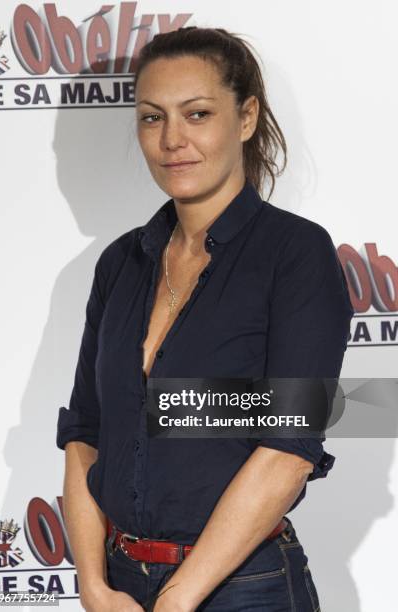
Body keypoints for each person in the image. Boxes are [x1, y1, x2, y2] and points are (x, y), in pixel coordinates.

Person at [56, 27, 354, 611]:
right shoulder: (120, 263)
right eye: (151, 118)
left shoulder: (295, 255)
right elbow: (86, 434)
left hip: (243, 588)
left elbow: (288, 451)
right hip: (118, 583)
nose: (172, 140)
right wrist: (93, 585)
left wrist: (178, 599)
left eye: (197, 114)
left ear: (245, 118)